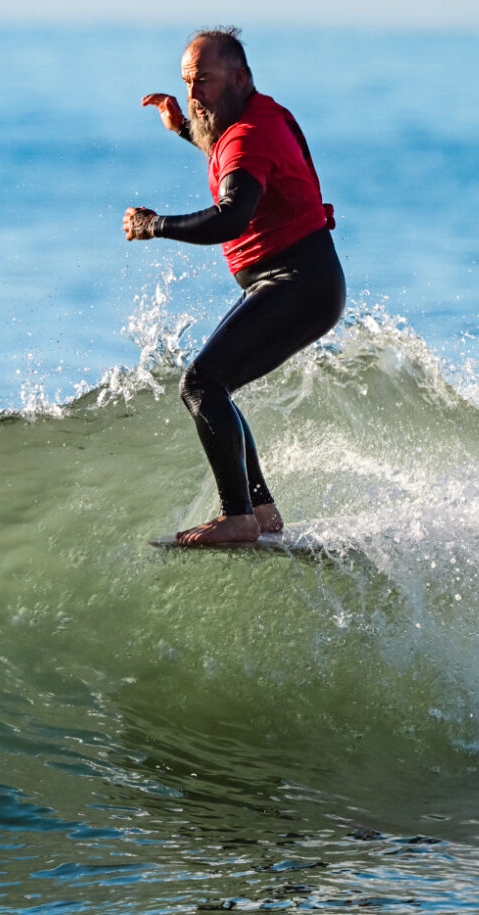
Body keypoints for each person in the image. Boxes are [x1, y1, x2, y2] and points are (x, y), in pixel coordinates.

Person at [124, 27, 345, 545]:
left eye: (203, 82)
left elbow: (230, 218)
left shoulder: (251, 134)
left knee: (200, 384)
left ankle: (238, 515)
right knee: (214, 386)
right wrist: (183, 127)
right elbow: (217, 139)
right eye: (187, 83)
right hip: (294, 279)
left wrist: (155, 225)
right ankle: (261, 510)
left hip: (298, 280)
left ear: (240, 78)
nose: (194, 94)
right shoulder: (252, 117)